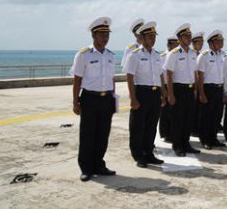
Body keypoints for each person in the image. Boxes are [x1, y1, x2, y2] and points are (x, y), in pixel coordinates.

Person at [70, 17, 117, 182]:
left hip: (106, 99)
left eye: (107, 34)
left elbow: (111, 80)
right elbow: (77, 80)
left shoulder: (110, 56)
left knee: (103, 134)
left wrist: (113, 99)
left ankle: (99, 164)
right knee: (88, 135)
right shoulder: (83, 54)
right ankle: (86, 168)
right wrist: (75, 102)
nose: (105, 38)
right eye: (102, 34)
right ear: (94, 35)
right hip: (90, 98)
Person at [124, 21, 166, 168]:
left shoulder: (156, 55)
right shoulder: (134, 55)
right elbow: (129, 76)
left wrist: (163, 94)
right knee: (138, 126)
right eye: (149, 36)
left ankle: (149, 153)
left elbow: (160, 75)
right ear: (142, 37)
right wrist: (133, 97)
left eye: (154, 36)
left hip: (155, 93)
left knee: (151, 125)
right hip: (141, 92)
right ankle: (138, 155)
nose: (152, 39)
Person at [163, 23, 200, 157]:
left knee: (188, 118)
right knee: (177, 119)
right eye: (186, 36)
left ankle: (186, 143)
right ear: (179, 38)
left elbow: (195, 73)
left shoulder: (192, 53)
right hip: (178, 89)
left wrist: (195, 89)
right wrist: (170, 94)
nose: (189, 38)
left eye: (190, 36)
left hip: (190, 89)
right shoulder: (173, 54)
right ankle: (177, 145)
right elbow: (169, 74)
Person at [196, 30, 227, 149]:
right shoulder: (204, 56)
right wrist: (201, 94)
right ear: (211, 43)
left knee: (217, 115)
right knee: (206, 116)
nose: (221, 43)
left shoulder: (221, 56)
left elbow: (222, 75)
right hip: (208, 89)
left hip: (219, 88)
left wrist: (224, 91)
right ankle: (205, 140)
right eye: (218, 41)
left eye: (221, 41)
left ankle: (213, 138)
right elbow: (200, 76)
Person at [158, 35, 178, 143]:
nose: (177, 46)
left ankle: (173, 132)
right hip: (165, 86)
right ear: (169, 45)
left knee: (174, 112)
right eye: (175, 44)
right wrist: (163, 90)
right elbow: (160, 74)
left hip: (175, 85)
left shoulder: (176, 55)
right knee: (165, 112)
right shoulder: (163, 56)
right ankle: (165, 133)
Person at [189, 31, 205, 138]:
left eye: (202, 42)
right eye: (199, 42)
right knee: (193, 109)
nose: (201, 44)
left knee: (199, 108)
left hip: (200, 84)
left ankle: (198, 127)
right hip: (193, 84)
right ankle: (193, 129)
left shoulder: (200, 54)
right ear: (194, 43)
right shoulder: (191, 54)